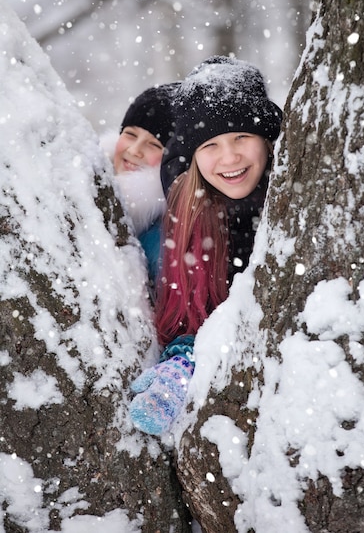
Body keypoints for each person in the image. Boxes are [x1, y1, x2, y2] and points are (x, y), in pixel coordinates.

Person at [129, 56, 283, 434]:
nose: (230, 157)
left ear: (266, 138)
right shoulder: (179, 229)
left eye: (242, 137)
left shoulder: (288, 209)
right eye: (211, 144)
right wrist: (184, 359)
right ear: (193, 156)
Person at [100, 82, 178, 287]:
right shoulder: (88, 181)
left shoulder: (163, 239)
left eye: (154, 144)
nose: (134, 150)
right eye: (130, 135)